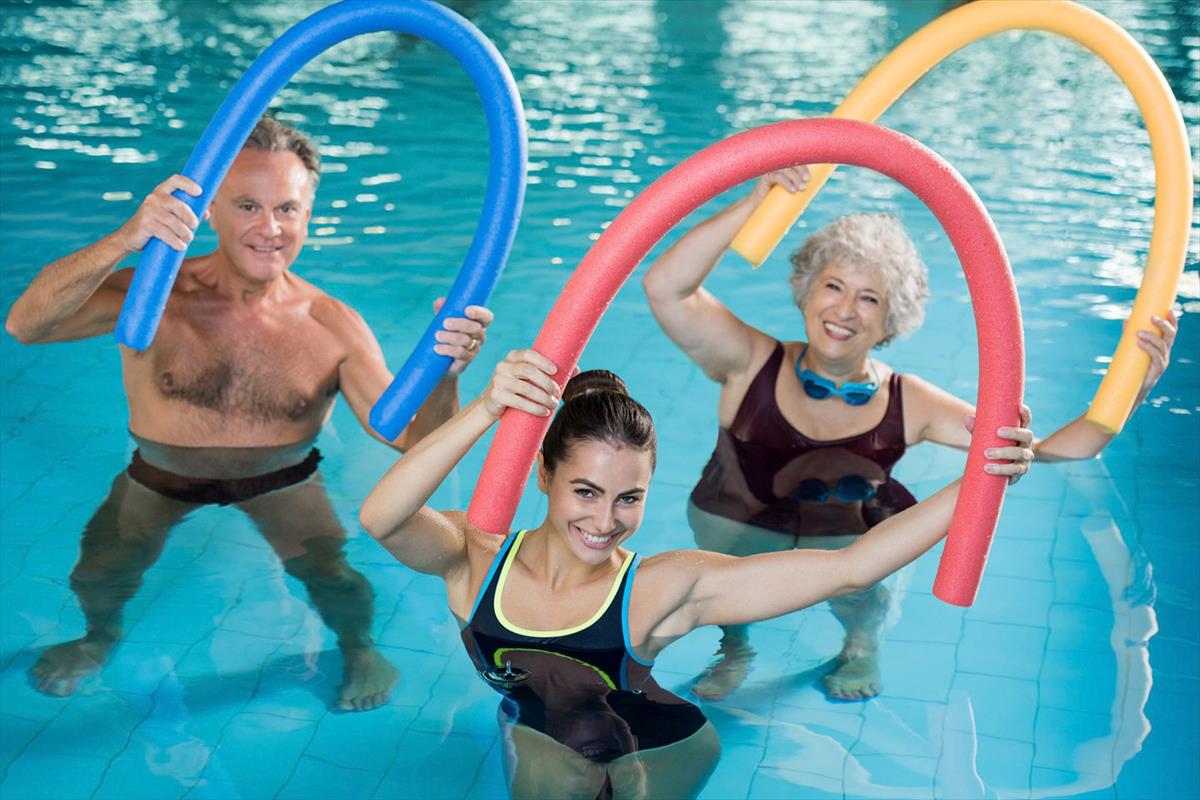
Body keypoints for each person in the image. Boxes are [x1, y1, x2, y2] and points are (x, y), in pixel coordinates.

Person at [358, 349, 1025, 798]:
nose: (606, 520)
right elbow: (380, 519)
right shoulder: (476, 560)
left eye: (630, 498)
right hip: (545, 736)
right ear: (544, 475)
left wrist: (984, 474)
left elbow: (852, 568)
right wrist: (485, 410)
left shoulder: (659, 589)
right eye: (585, 491)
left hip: (663, 746)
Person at [5, 117, 494, 711]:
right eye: (247, 206)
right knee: (98, 572)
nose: (270, 228)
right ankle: (98, 637)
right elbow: (26, 325)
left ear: (309, 214)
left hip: (282, 479)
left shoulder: (332, 326)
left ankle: (359, 649)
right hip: (159, 474)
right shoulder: (155, 294)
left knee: (333, 578)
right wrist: (126, 237)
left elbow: (418, 443)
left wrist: (446, 375)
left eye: (287, 208)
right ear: (209, 208)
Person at [641, 167, 1178, 701]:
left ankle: (860, 646)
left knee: (864, 592)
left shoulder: (911, 401)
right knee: (725, 592)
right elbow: (665, 287)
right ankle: (735, 647)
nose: (845, 310)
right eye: (833, 286)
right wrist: (754, 203)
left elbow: (1043, 451)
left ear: (891, 319)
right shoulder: (748, 360)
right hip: (735, 526)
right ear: (805, 291)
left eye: (870, 298)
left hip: (844, 543)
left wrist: (1134, 390)